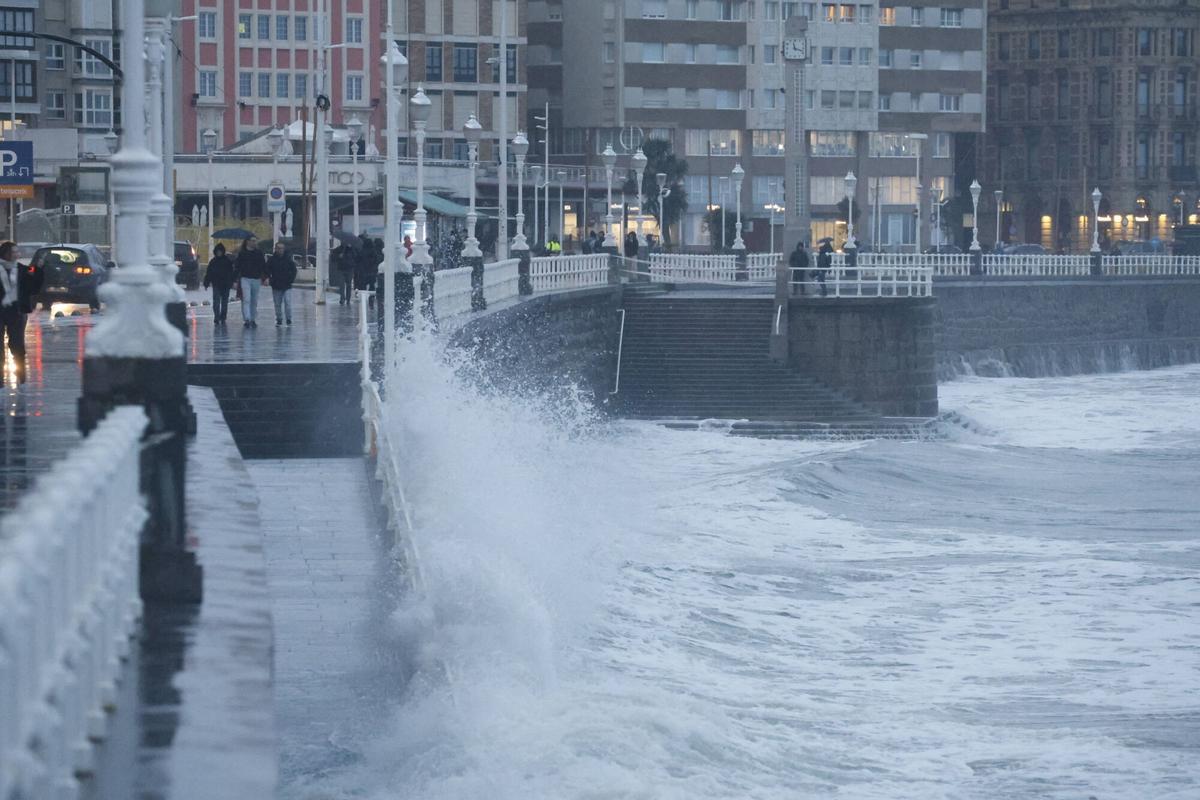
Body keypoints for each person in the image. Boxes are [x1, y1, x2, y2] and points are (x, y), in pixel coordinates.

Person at [0, 240, 41, 384]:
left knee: (17, 344)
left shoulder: (23, 269)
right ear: (5, 254)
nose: (17, 254)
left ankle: (21, 377)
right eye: (14, 252)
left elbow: (34, 284)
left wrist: (38, 270)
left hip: (17, 312)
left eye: (17, 252)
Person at [234, 235, 267, 327]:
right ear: (247, 242)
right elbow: (237, 267)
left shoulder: (259, 253)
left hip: (256, 279)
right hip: (245, 278)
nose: (254, 242)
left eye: (255, 241)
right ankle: (247, 319)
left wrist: (265, 278)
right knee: (246, 299)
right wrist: (235, 280)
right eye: (252, 241)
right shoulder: (242, 253)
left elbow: (263, 266)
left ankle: (253, 319)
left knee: (254, 300)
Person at [265, 241, 297, 325]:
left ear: (284, 249)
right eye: (278, 248)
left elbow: (294, 270)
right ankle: (279, 318)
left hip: (287, 285)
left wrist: (291, 279)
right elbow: (267, 270)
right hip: (276, 285)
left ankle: (288, 318)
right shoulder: (271, 260)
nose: (280, 250)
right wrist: (269, 279)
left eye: (282, 248)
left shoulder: (288, 259)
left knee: (288, 302)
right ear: (275, 249)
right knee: (277, 303)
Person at [203, 242, 235, 324]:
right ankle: (217, 317)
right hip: (216, 284)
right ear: (215, 252)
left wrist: (232, 282)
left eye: (220, 251)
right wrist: (206, 283)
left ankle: (223, 317)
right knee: (216, 302)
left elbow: (231, 273)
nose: (219, 253)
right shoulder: (213, 262)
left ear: (222, 251)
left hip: (225, 284)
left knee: (224, 302)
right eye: (217, 251)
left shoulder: (227, 261)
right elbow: (209, 273)